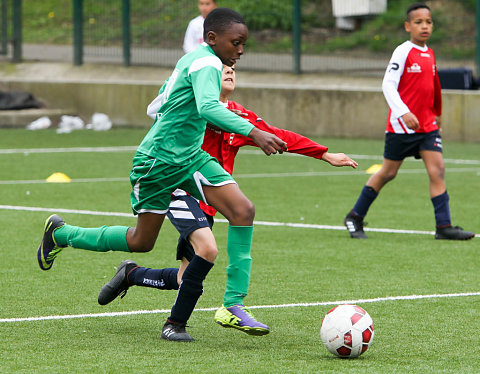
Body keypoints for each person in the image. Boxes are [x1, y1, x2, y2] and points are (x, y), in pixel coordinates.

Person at [36, 8, 288, 343]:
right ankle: (62, 234)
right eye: (236, 42)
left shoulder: (195, 60)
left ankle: (233, 303)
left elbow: (158, 104)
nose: (240, 50)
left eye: (244, 43)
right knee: (142, 242)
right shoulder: (205, 62)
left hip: (190, 158)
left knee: (243, 210)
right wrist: (253, 132)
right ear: (212, 39)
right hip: (156, 163)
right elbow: (208, 108)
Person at [96, 64, 358, 337]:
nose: (230, 71)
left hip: (210, 203)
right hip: (180, 191)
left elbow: (277, 134)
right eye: (222, 68)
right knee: (207, 250)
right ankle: (178, 324)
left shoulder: (239, 115)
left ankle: (132, 274)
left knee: (183, 278)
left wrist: (324, 154)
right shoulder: (196, 109)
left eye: (233, 68)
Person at [343, 2, 475, 241]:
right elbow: (388, 84)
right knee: (388, 172)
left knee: (438, 171)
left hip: (427, 127)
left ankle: (443, 227)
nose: (424, 26)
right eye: (418, 22)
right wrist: (403, 112)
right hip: (401, 127)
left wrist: (437, 117)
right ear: (407, 26)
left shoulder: (430, 53)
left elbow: (433, 89)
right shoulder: (403, 51)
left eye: (428, 22)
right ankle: (355, 216)